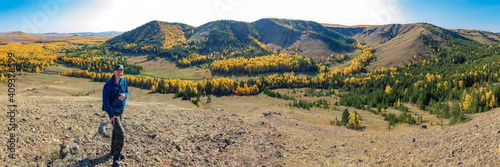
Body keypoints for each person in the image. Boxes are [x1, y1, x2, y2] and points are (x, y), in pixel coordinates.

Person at [102, 64, 129, 167]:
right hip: (114, 112)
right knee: (121, 133)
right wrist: (111, 115)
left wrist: (125, 96)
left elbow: (127, 91)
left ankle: (113, 150)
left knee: (115, 132)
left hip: (121, 110)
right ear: (114, 71)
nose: (120, 73)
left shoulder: (123, 81)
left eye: (121, 71)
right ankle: (116, 158)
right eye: (118, 71)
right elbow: (105, 102)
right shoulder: (109, 84)